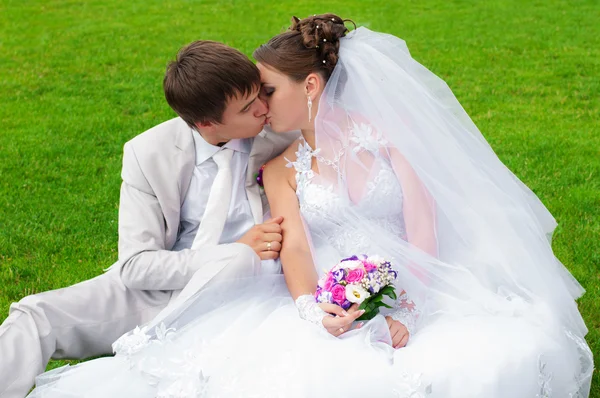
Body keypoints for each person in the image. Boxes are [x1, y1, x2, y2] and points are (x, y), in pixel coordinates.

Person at [25, 14, 594, 398]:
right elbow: (295, 245)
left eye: (268, 91)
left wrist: (408, 309)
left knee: (494, 357)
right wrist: (312, 311)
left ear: (313, 87)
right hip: (325, 292)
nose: (261, 105)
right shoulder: (278, 165)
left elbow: (424, 227)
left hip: (420, 284)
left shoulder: (390, 139)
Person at [0, 40, 296, 398]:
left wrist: (238, 254)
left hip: (244, 289)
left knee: (238, 258)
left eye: (260, 94)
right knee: (34, 314)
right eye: (248, 107)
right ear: (206, 123)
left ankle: (151, 351)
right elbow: (136, 267)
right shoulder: (148, 153)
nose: (264, 109)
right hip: (159, 291)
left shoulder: (280, 136)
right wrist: (229, 250)